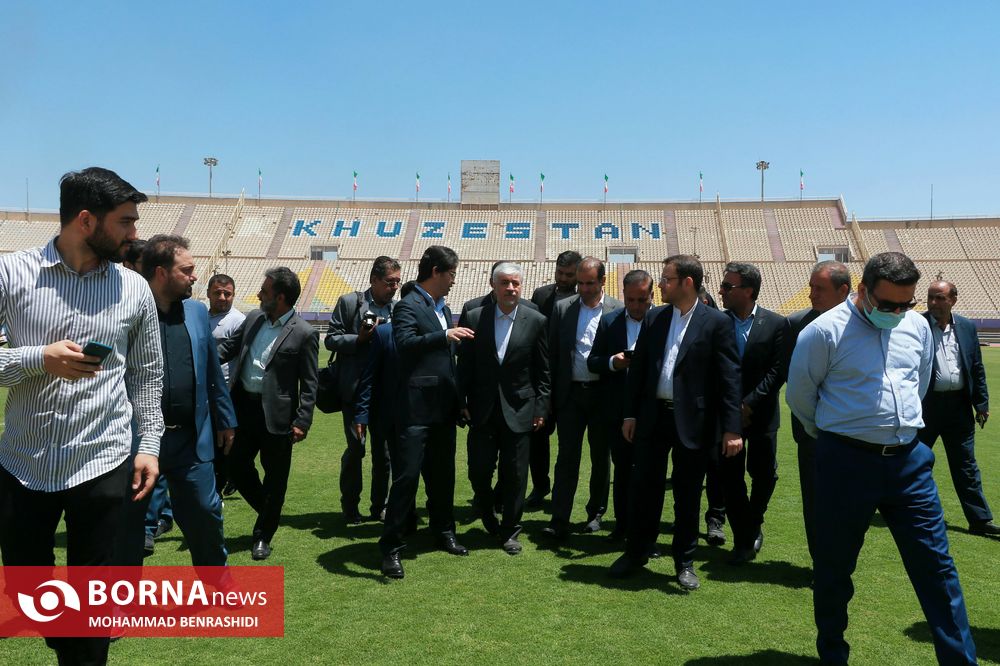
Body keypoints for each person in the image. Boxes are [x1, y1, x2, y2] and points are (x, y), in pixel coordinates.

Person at [0, 167, 162, 665]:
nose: (135, 233)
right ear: (86, 220)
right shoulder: (11, 274)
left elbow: (148, 375)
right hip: (24, 461)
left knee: (94, 598)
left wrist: (149, 445)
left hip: (103, 459)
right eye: (125, 221)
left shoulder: (133, 289)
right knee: (26, 585)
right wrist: (37, 359)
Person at [787, 252, 976, 664]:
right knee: (834, 569)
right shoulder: (823, 332)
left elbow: (919, 383)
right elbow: (801, 398)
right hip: (846, 463)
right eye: (887, 304)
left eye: (906, 304)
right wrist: (840, 436)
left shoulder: (917, 327)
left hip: (909, 464)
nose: (896, 313)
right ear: (862, 290)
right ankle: (833, 655)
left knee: (938, 569)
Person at [609, 255, 742, 591]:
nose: (661, 284)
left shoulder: (716, 322)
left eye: (666, 279)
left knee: (687, 494)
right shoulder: (655, 317)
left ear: (687, 283)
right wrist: (630, 414)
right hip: (653, 417)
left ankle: (684, 562)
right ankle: (636, 552)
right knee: (644, 488)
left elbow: (729, 378)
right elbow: (640, 369)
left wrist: (732, 428)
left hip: (695, 422)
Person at [139, 235, 236, 566]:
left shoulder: (196, 312)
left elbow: (212, 372)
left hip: (191, 438)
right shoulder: (130, 310)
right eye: (187, 270)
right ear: (161, 273)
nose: (195, 277)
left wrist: (225, 419)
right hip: (140, 440)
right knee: (130, 522)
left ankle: (218, 580)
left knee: (206, 512)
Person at [379, 246, 473, 579]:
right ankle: (391, 546)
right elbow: (405, 343)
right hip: (414, 409)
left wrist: (460, 400)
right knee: (406, 478)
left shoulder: (442, 307)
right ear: (435, 271)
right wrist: (443, 335)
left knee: (443, 475)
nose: (453, 281)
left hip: (443, 408)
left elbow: (448, 363)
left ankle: (444, 531)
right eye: (451, 274)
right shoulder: (407, 305)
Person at [219, 267, 319, 561]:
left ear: (281, 297)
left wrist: (303, 420)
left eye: (265, 291)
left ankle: (263, 535)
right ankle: (269, 510)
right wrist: (198, 354)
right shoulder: (253, 318)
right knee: (236, 466)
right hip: (243, 408)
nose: (259, 295)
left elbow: (310, 383)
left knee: (276, 478)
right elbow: (228, 348)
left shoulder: (304, 333)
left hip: (278, 416)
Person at [458, 262, 550, 554]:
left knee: (515, 475)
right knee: (479, 471)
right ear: (493, 286)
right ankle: (488, 517)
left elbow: (543, 371)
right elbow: (464, 365)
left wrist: (541, 408)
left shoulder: (536, 320)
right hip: (482, 410)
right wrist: (461, 401)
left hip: (521, 410)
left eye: (515, 283)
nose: (511, 288)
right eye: (505, 283)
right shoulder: (475, 317)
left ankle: (510, 530)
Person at [543, 257, 623, 538]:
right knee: (566, 457)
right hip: (571, 395)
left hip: (603, 395)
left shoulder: (618, 310)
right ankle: (559, 517)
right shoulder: (563, 308)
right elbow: (552, 354)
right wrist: (549, 397)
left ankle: (596, 513)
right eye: (580, 283)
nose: (584, 288)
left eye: (590, 283)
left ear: (603, 281)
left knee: (601, 458)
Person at [717, 261, 789, 564]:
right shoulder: (716, 322)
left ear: (748, 291)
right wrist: (733, 407)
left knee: (764, 475)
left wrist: (749, 403)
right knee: (730, 478)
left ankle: (753, 521)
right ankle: (743, 538)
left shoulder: (776, 324)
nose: (721, 291)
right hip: (726, 416)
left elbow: (777, 371)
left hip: (762, 416)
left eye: (727, 286)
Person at [325, 256, 401, 524]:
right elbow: (331, 339)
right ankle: (350, 506)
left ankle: (379, 506)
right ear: (374, 280)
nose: (394, 287)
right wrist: (358, 339)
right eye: (389, 282)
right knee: (356, 449)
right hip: (355, 390)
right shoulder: (350, 303)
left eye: (397, 282)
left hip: (386, 392)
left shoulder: (398, 309)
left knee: (384, 454)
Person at [921, 280, 997, 536]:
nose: (934, 303)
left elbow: (976, 366)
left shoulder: (966, 327)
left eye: (940, 298)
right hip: (926, 407)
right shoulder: (917, 325)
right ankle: (904, 510)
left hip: (959, 408)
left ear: (953, 299)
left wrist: (981, 403)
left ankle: (979, 520)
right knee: (916, 462)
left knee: (966, 465)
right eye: (931, 297)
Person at [786, 260, 850, 562]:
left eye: (819, 288)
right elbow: (794, 383)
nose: (811, 294)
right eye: (811, 287)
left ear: (844, 290)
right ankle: (821, 563)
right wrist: (813, 425)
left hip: (853, 432)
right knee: (815, 501)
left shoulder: (864, 324)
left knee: (848, 503)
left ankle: (841, 561)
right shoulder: (797, 323)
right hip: (812, 432)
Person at [586, 269, 653, 543]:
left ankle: (645, 532)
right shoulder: (609, 322)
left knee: (649, 474)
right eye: (630, 300)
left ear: (652, 295)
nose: (636, 306)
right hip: (617, 412)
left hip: (652, 411)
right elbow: (593, 361)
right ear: (623, 295)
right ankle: (622, 526)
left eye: (642, 300)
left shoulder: (663, 321)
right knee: (622, 471)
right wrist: (614, 362)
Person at [526, 250, 581, 507]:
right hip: (542, 379)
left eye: (569, 275)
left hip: (571, 382)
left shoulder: (584, 298)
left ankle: (562, 493)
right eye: (560, 273)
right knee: (537, 437)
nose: (563, 278)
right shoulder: (541, 296)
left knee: (569, 443)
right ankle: (540, 486)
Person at [206, 273, 246, 500]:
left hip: (225, 394)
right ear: (208, 294)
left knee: (222, 442)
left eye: (227, 294)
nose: (222, 297)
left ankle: (219, 488)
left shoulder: (237, 321)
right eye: (217, 293)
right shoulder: (201, 317)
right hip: (203, 391)